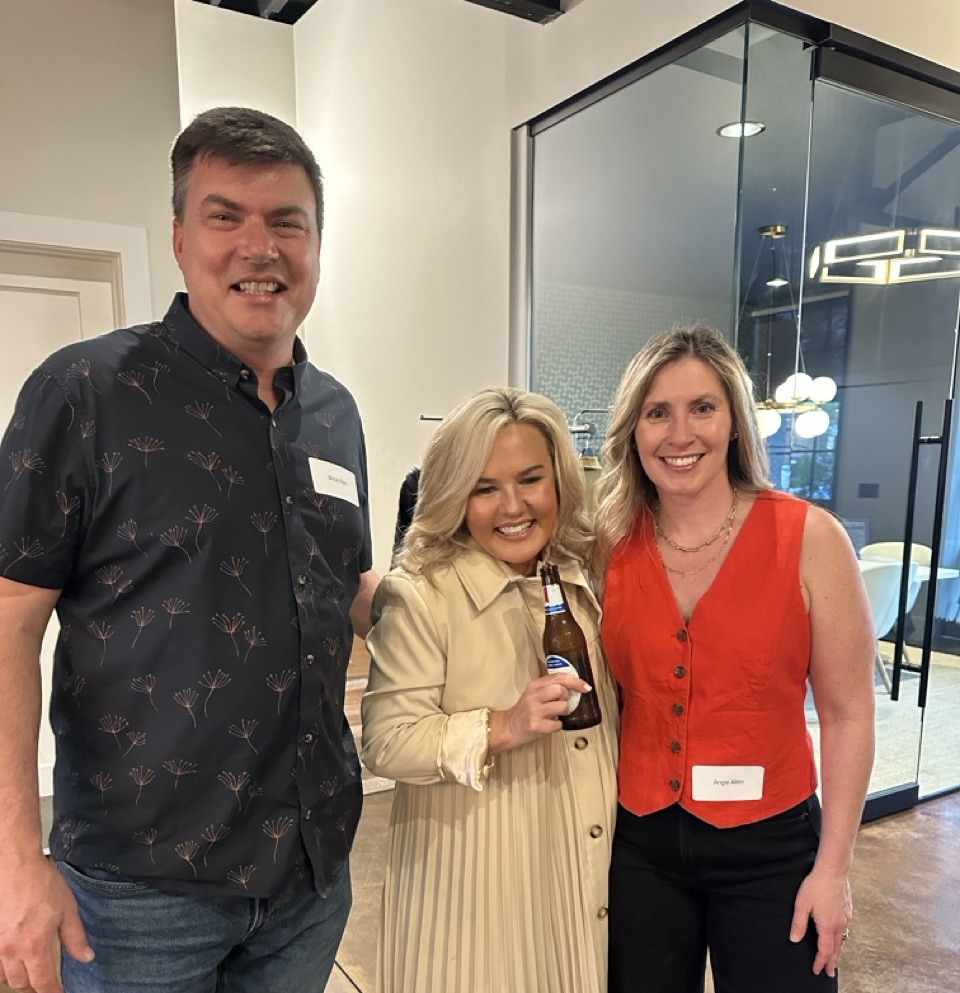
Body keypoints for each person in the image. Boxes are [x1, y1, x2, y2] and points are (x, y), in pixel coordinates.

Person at [0, 107, 378, 993]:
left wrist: (483, 603)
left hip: (310, 877)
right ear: (178, 237)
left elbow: (349, 584)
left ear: (318, 244)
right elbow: (8, 621)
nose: (260, 246)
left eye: (287, 221)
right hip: (138, 891)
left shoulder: (336, 413)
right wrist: (14, 856)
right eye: (225, 216)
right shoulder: (85, 392)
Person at [593, 325, 876, 993]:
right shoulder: (610, 545)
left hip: (772, 850)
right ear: (634, 430)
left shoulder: (810, 538)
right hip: (641, 848)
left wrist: (834, 870)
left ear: (734, 423)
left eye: (702, 408)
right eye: (657, 412)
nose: (680, 434)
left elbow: (848, 713)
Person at [361, 387, 619, 993]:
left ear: (559, 481)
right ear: (455, 495)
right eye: (484, 488)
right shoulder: (421, 593)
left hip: (582, 859)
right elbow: (386, 741)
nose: (513, 506)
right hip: (476, 873)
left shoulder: (585, 576)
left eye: (530, 480)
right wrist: (502, 726)